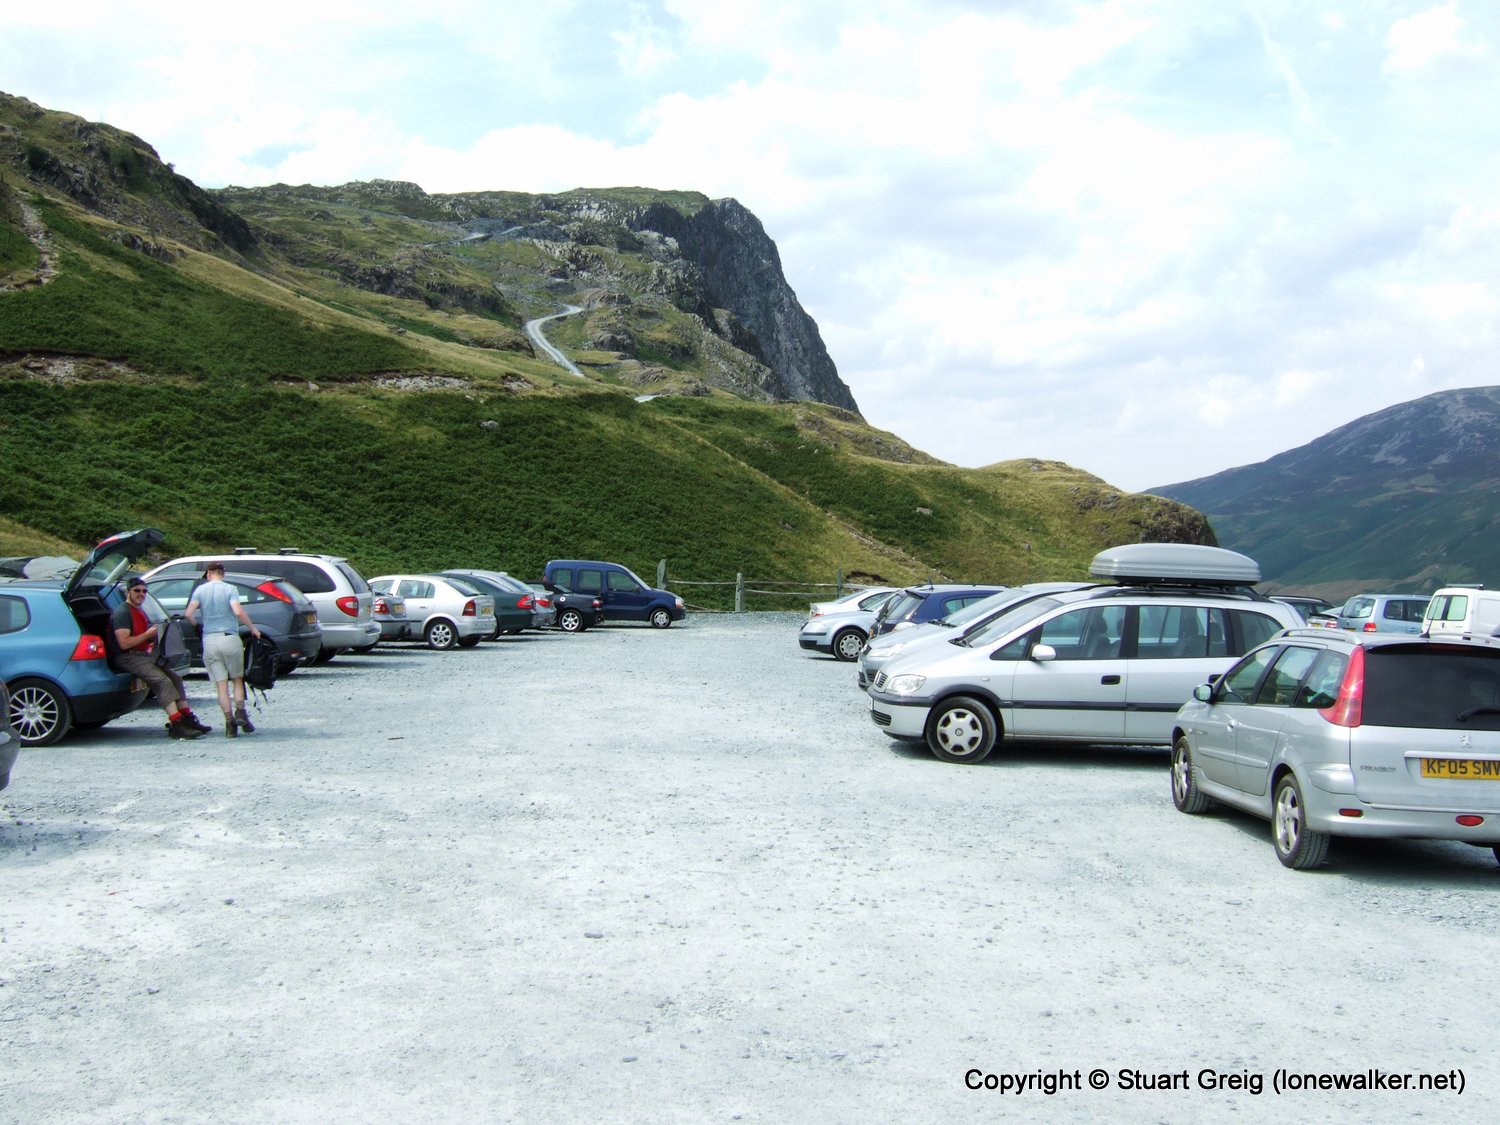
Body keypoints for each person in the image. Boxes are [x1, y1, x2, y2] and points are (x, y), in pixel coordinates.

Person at [111, 577, 209, 740]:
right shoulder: (123, 613)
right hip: (128, 657)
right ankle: (176, 724)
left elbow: (140, 637)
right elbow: (124, 643)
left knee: (175, 678)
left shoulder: (138, 611)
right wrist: (147, 635)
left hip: (142, 655)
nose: (141, 594)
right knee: (162, 681)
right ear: (128, 592)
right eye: (137, 590)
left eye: (144, 591)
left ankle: (187, 717)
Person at [185, 562, 263, 738]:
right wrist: (252, 628)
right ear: (223, 573)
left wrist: (197, 625)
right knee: (237, 678)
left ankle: (229, 724)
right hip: (229, 637)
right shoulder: (230, 589)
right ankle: (240, 712)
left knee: (221, 684)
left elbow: (188, 613)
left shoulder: (200, 590)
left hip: (210, 640)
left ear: (208, 573)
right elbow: (237, 611)